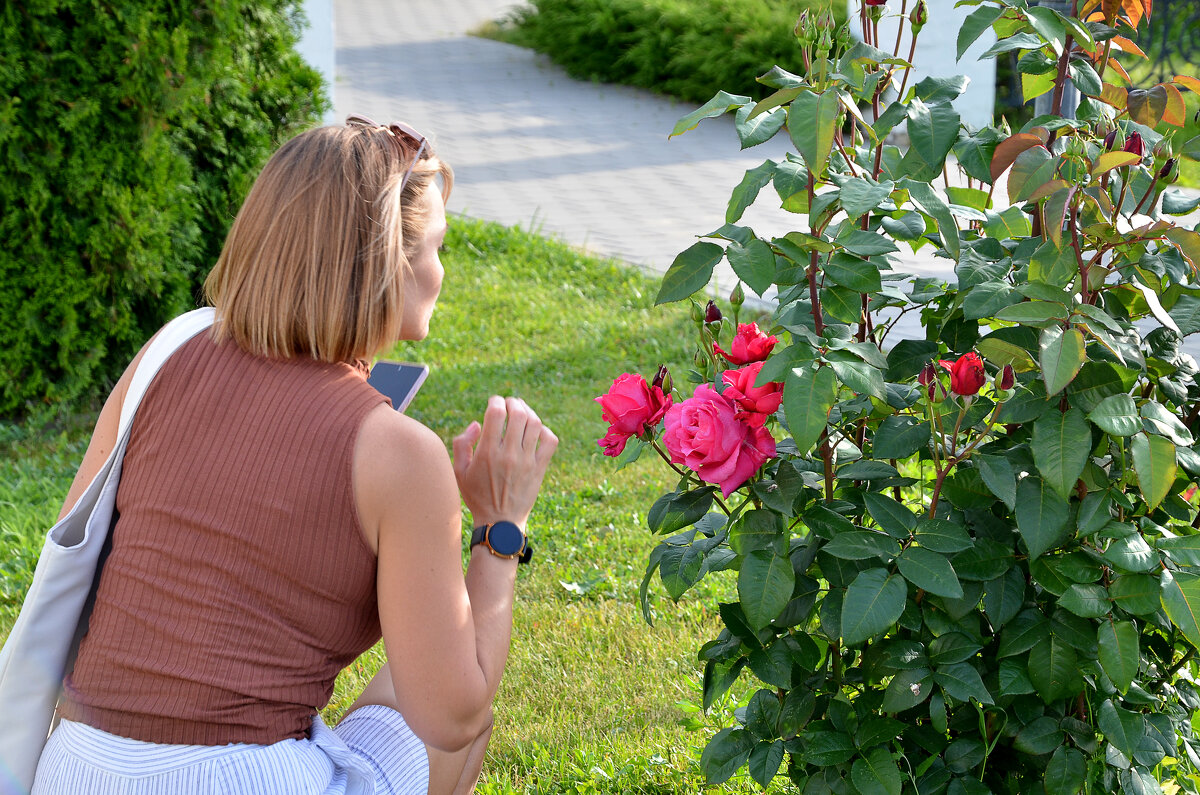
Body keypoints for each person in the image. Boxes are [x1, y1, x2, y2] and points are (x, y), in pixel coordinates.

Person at [31, 115, 557, 794]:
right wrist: (498, 529)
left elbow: (76, 566)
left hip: (74, 764)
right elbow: (453, 713)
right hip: (238, 778)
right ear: (392, 266)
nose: (441, 272)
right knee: (447, 679)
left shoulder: (161, 357)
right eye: (436, 247)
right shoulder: (398, 452)